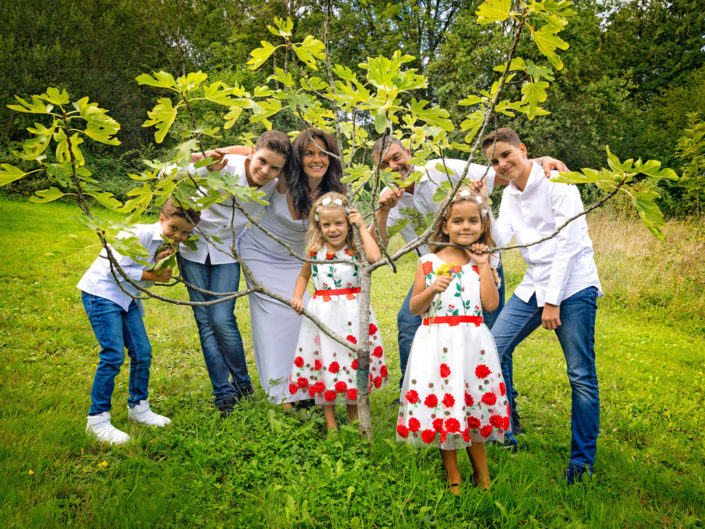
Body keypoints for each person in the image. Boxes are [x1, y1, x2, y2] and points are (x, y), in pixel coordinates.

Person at [374, 137, 567, 433]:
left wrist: (541, 162)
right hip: (437, 273)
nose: (394, 167)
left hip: (480, 265)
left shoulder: (442, 168)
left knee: (491, 340)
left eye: (397, 158)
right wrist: (383, 211)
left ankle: (505, 412)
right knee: (409, 323)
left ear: (409, 153)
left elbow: (502, 172)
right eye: (384, 165)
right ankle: (416, 401)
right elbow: (379, 249)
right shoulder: (390, 197)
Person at [480, 128, 601, 484]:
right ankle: (506, 433)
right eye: (495, 161)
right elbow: (502, 240)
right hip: (534, 285)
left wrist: (553, 303)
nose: (502, 164)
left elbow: (569, 244)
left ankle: (581, 464)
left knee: (580, 375)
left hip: (574, 285)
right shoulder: (509, 196)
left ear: (522, 149)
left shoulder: (557, 182)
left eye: (506, 155)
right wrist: (485, 205)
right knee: (492, 348)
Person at [396, 186, 509, 495]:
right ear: (444, 226)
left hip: (472, 345)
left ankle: (482, 474)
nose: (466, 227)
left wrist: (485, 266)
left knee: (472, 405)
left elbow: (490, 305)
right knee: (447, 405)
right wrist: (432, 289)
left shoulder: (483, 260)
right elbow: (415, 308)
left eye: (473, 221)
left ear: (483, 225)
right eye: (458, 221)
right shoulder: (428, 262)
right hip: (438, 344)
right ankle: (452, 473)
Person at [179, 130, 290, 417]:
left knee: (222, 319)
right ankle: (223, 394)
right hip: (193, 246)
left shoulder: (274, 184)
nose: (265, 171)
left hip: (227, 251)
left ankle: (244, 385)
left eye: (274, 167)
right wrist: (204, 165)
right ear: (253, 152)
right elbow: (182, 172)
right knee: (204, 320)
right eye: (262, 161)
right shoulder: (224, 164)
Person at [238, 128, 345, 405]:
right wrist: (217, 154)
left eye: (323, 153)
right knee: (274, 317)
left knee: (303, 317)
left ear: (331, 157)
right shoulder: (286, 178)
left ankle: (304, 385)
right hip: (259, 253)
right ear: (300, 157)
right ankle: (280, 395)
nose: (316, 159)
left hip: (295, 262)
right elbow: (250, 154)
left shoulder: (333, 193)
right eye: (309, 153)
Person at [79, 198, 200, 444]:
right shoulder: (138, 233)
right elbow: (113, 268)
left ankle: (138, 407)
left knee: (142, 352)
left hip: (126, 298)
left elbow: (139, 279)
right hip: (101, 294)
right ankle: (97, 419)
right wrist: (153, 274)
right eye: (174, 229)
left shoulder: (167, 245)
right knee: (113, 355)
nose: (178, 236)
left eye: (186, 233)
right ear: (162, 219)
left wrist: (155, 269)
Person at [288, 192, 386, 431]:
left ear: (348, 222)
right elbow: (303, 276)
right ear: (318, 225)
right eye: (326, 224)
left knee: (352, 364)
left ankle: (355, 419)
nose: (333, 229)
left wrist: (361, 226)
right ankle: (331, 424)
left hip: (352, 316)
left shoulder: (356, 248)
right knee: (326, 365)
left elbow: (375, 256)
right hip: (323, 316)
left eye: (339, 223)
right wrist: (297, 297)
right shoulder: (315, 249)